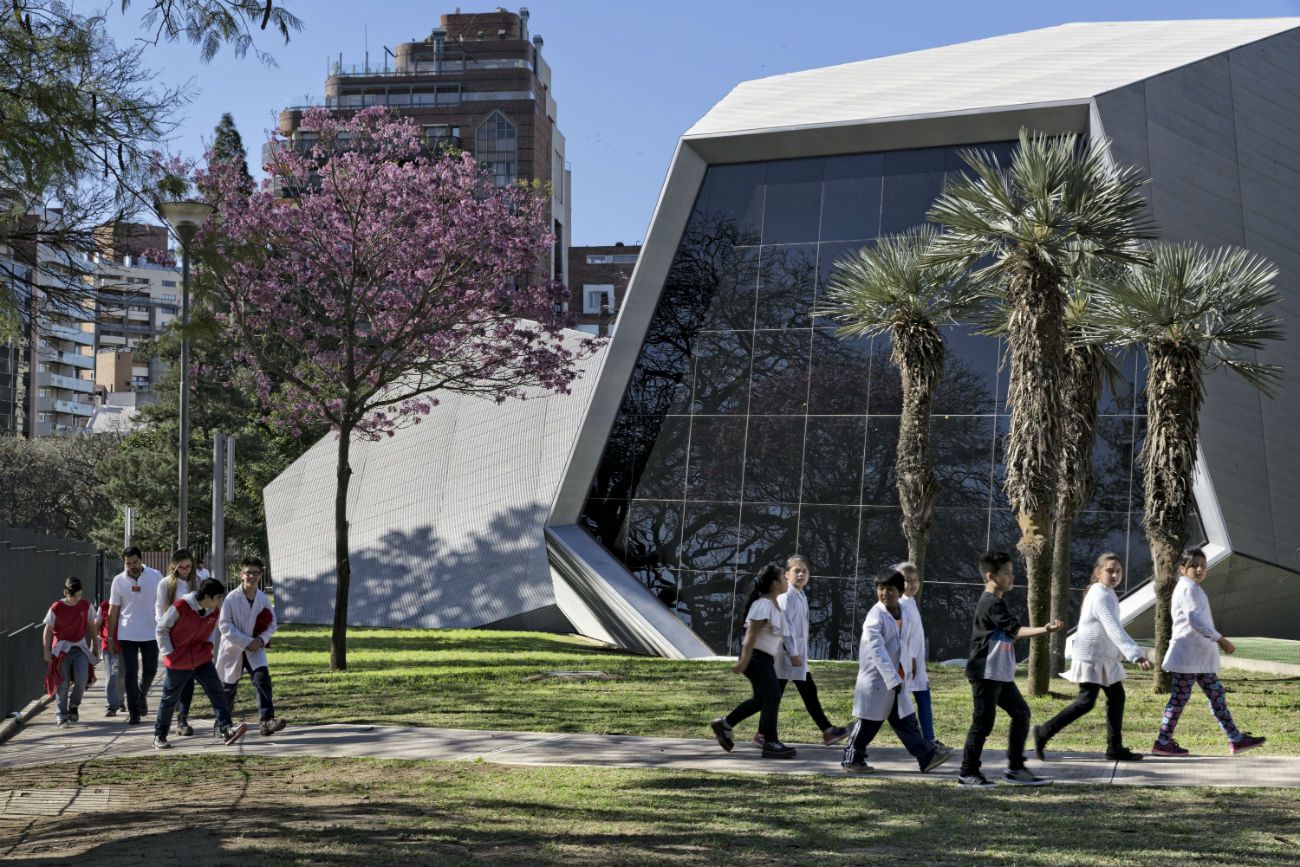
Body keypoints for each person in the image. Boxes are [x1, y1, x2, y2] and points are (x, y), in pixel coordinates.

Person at [1032, 553, 1153, 762]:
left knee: (1115, 698)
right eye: (1109, 570)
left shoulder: (1107, 593)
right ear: (1098, 573)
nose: (1115, 574)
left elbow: (1112, 629)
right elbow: (1114, 628)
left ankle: (1114, 748)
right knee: (1086, 702)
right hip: (1091, 658)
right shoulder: (1100, 595)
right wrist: (1135, 655)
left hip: (1103, 659)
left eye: (1118, 571)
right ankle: (1042, 732)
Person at [957, 550, 1064, 788]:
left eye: (1012, 572)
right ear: (991, 576)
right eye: (1006, 573)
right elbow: (1015, 632)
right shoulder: (991, 603)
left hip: (998, 673)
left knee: (1021, 713)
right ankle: (967, 773)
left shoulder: (996, 603)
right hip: (986, 672)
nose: (1011, 577)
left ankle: (1016, 769)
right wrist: (1045, 630)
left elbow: (1007, 635)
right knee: (982, 724)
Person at [1152, 547, 1266, 757]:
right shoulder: (1187, 589)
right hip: (1188, 657)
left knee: (1216, 696)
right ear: (1182, 568)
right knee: (1179, 700)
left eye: (1203, 565)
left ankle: (1236, 739)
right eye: (1193, 565)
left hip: (1199, 658)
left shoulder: (1193, 588)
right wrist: (1220, 639)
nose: (1199, 569)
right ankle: (1162, 742)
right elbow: (1196, 620)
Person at [841, 569, 953, 774]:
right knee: (869, 722)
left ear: (900, 591)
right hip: (878, 680)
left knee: (906, 721)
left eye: (890, 589)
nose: (885, 593)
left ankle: (926, 757)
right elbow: (877, 651)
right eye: (881, 589)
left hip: (897, 679)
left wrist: (910, 661)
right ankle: (851, 759)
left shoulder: (903, 612)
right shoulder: (875, 617)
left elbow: (905, 641)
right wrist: (892, 677)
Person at [752, 555, 848, 748]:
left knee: (801, 692)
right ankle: (759, 733)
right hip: (785, 656)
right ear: (786, 574)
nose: (801, 574)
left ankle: (826, 731)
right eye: (796, 571)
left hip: (794, 657)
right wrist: (793, 653)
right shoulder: (787, 597)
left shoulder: (799, 595)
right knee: (773, 695)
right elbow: (785, 628)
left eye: (804, 571)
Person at [710, 563, 797, 759]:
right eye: (784, 577)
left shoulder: (773, 604)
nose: (787, 580)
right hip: (756, 659)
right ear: (775, 583)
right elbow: (750, 636)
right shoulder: (763, 605)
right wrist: (744, 661)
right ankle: (771, 743)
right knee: (773, 697)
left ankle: (724, 724)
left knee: (761, 700)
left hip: (762, 659)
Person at [153, 577, 248, 749]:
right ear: (208, 597)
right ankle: (159, 736)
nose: (220, 601)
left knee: (217, 691)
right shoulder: (181, 607)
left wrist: (209, 646)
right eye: (218, 597)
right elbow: (161, 628)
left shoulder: (214, 611)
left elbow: (211, 631)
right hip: (178, 661)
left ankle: (226, 728)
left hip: (202, 658)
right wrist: (168, 653)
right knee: (169, 699)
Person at [217, 557, 286, 736]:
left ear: (261, 575)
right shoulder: (231, 598)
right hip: (234, 648)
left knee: (262, 678)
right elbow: (224, 625)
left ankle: (266, 720)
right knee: (228, 688)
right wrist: (247, 641)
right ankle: (222, 724)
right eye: (248, 572)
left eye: (256, 573)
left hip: (256, 649)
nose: (252, 576)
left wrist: (261, 640)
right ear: (241, 575)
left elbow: (272, 623)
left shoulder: (263, 599)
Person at [107, 546, 165, 725]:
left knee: (151, 669)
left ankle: (141, 694)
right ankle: (134, 711)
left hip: (151, 632)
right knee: (131, 673)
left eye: (135, 562)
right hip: (128, 633)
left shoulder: (156, 576)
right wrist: (110, 637)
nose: (132, 566)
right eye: (128, 563)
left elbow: (165, 602)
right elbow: (114, 609)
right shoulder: (118, 581)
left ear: (141, 560)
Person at [895, 560, 944, 749]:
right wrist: (912, 660)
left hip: (917, 665)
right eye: (908, 581)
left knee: (924, 699)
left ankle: (929, 738)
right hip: (908, 664)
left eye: (915, 580)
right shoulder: (900, 605)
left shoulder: (911, 603)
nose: (913, 584)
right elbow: (904, 638)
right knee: (893, 707)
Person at [42, 577, 98, 727]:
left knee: (82, 678)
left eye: (79, 595)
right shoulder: (56, 607)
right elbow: (47, 630)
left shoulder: (86, 605)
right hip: (61, 649)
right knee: (63, 683)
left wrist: (95, 645)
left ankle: (74, 705)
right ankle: (62, 715)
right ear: (65, 592)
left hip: (79, 647)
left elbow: (91, 625)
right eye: (74, 596)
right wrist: (46, 651)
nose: (77, 599)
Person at [155, 549, 199, 736]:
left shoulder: (198, 583)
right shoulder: (166, 584)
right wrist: (164, 629)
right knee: (173, 679)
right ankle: (167, 717)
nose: (184, 570)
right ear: (174, 566)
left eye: (188, 567)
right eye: (180, 567)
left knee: (189, 677)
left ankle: (183, 717)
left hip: (192, 636)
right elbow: (159, 609)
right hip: (172, 636)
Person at [97, 597, 125, 717]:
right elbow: (97, 624)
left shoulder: (128, 604)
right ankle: (111, 706)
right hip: (110, 648)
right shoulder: (104, 605)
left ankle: (120, 700)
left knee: (122, 676)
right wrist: (95, 643)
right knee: (112, 675)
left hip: (125, 647)